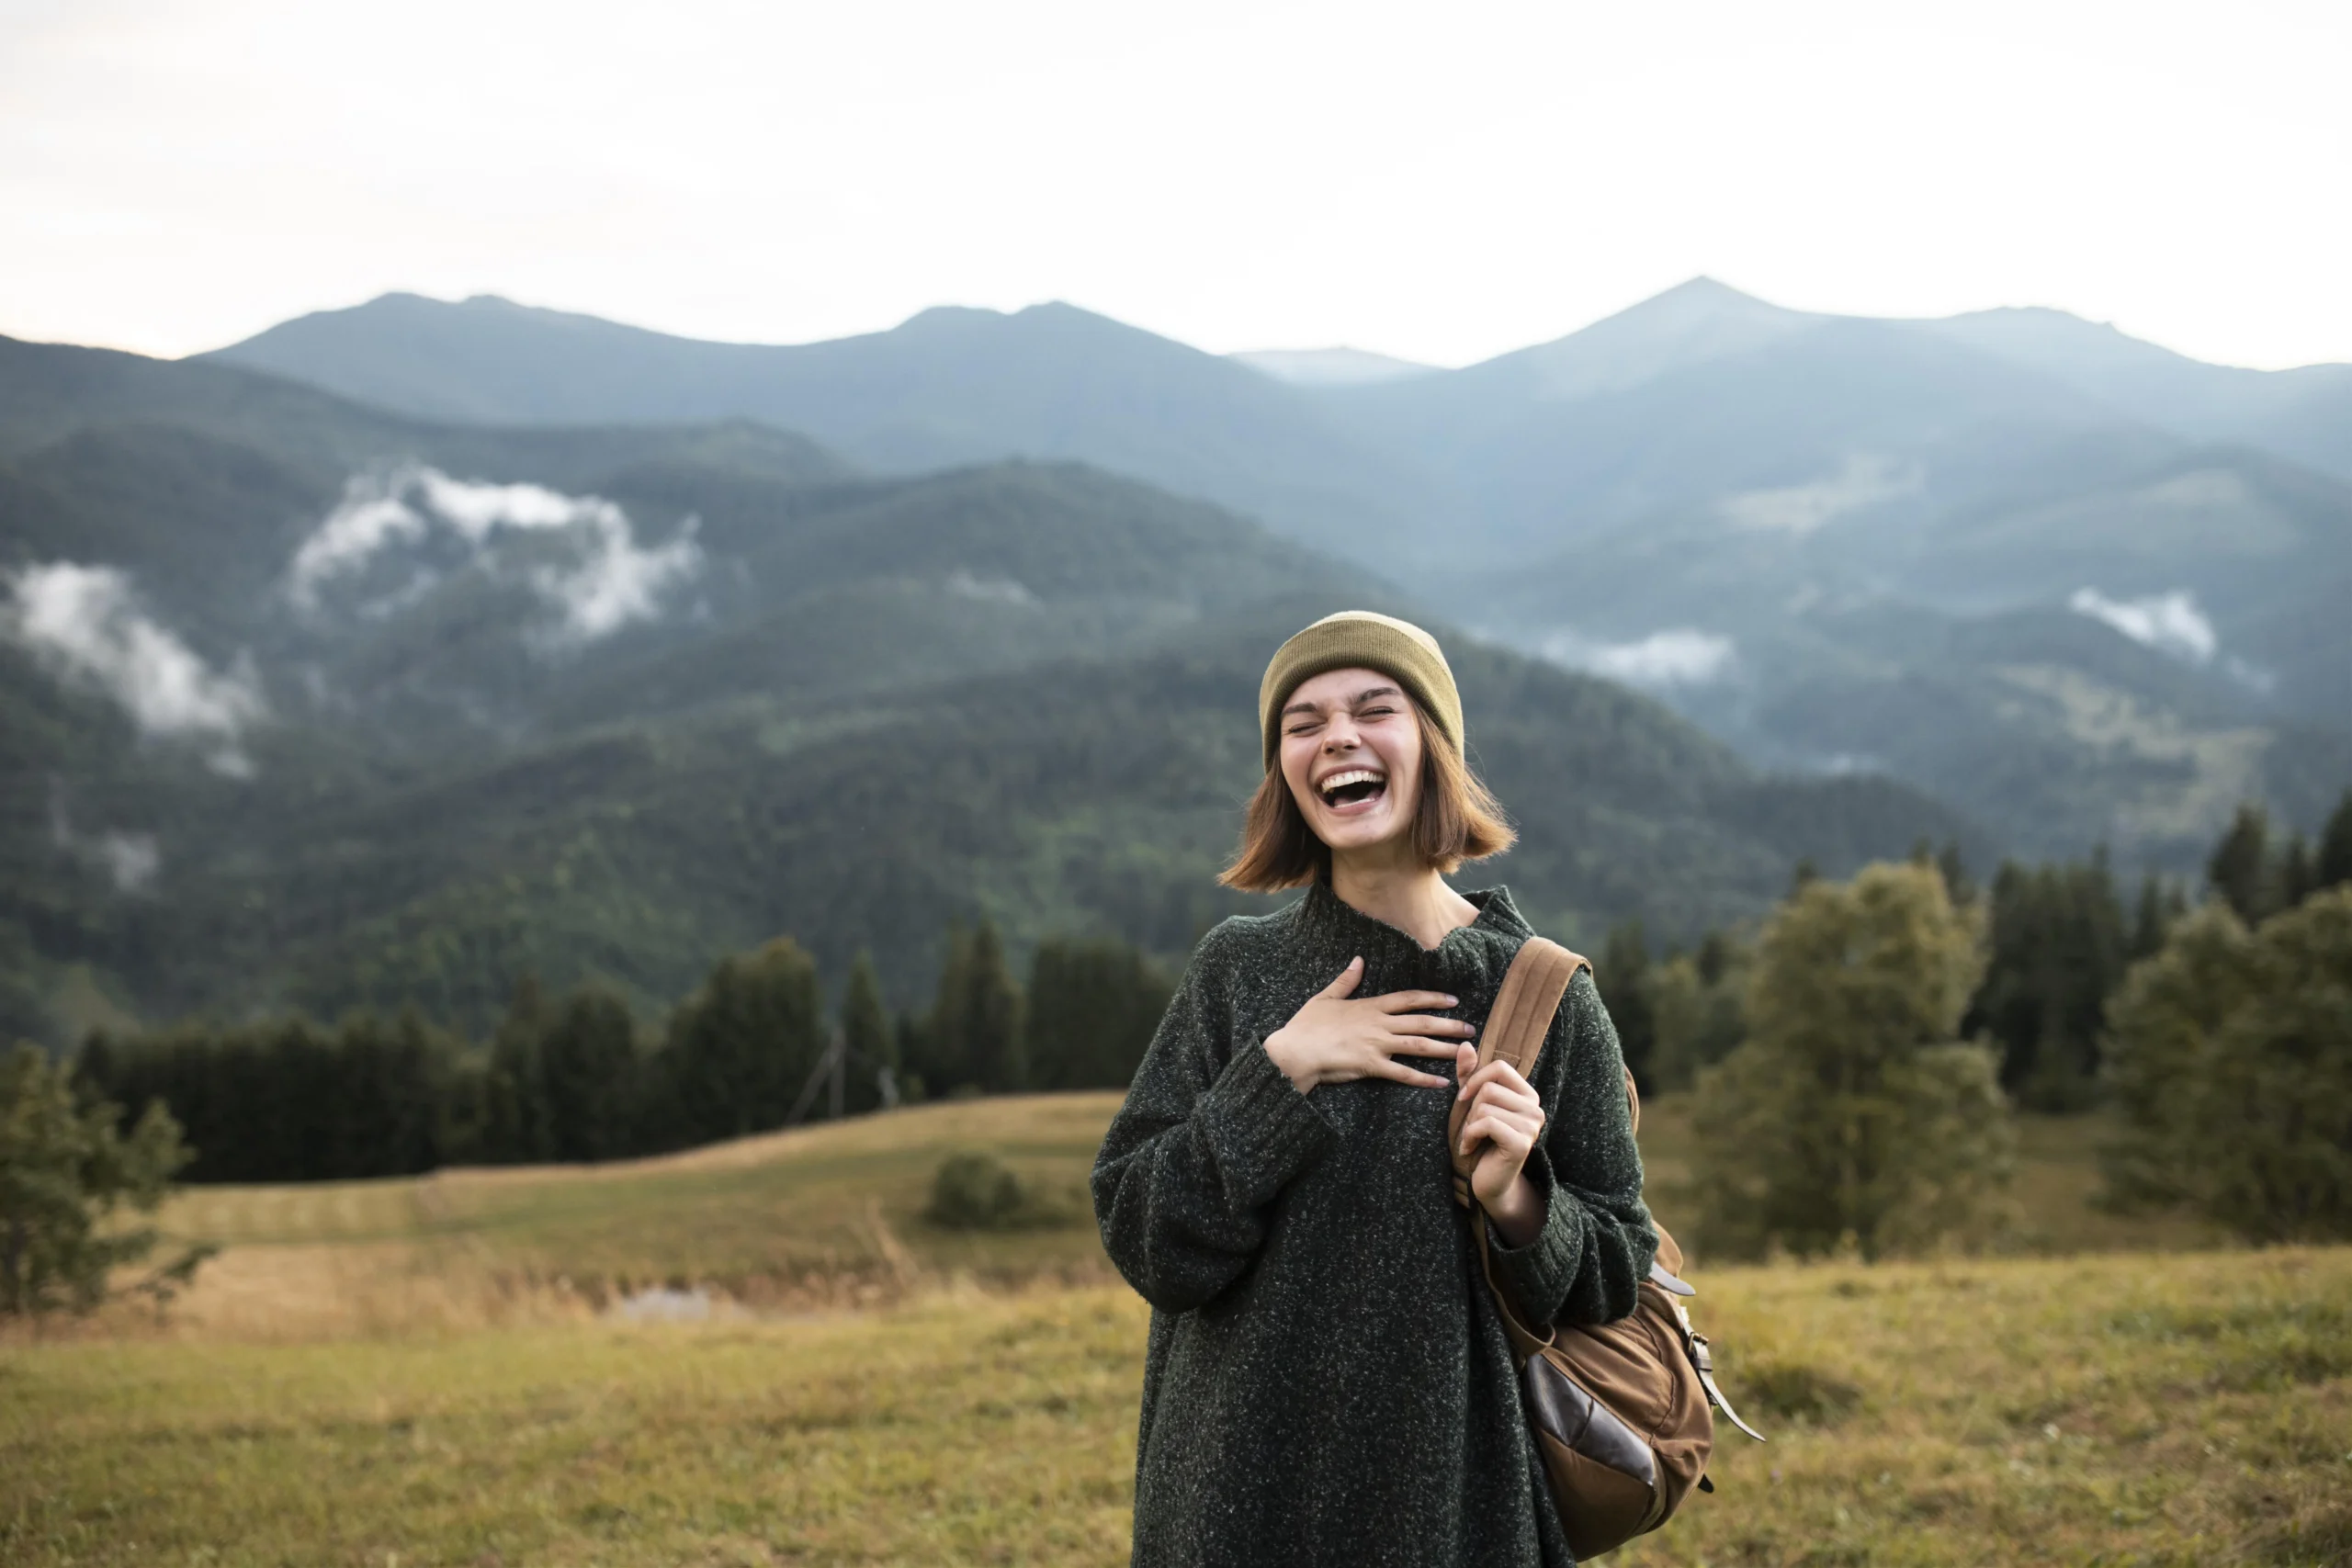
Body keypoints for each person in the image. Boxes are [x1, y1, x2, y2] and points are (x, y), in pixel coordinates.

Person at [1091, 610, 1657, 1568]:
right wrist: (1280, 1075)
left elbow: (1616, 1272)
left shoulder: (1547, 993)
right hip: (1234, 1500)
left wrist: (1517, 1199)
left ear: (1432, 745)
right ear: (1284, 774)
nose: (1337, 738)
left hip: (1454, 1507)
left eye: (1372, 708)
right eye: (1302, 724)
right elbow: (1147, 1237)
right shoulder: (1237, 974)